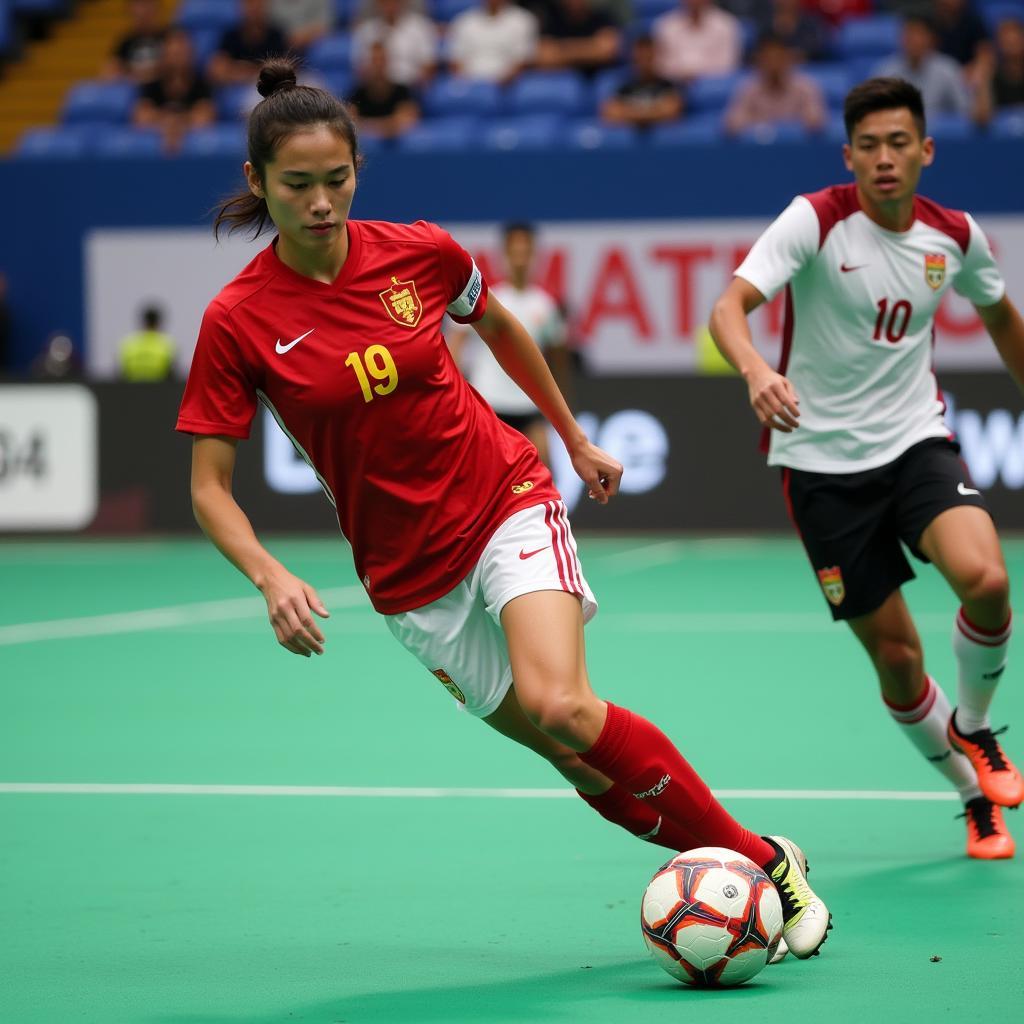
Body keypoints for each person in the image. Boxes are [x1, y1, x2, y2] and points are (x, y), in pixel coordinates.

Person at [176, 56, 831, 961]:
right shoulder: (237, 319)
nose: (321, 202)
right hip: (406, 577)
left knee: (561, 704)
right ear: (257, 183)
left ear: (357, 170)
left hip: (501, 497)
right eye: (297, 185)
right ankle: (751, 863)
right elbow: (210, 488)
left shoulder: (418, 250)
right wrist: (268, 573)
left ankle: (763, 868)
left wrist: (570, 435)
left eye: (337, 179)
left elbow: (499, 324)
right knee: (571, 757)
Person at [709, 77, 1024, 861]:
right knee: (897, 658)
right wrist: (754, 370)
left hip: (916, 439)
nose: (885, 159)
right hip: (819, 465)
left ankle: (976, 724)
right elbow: (727, 309)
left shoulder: (954, 236)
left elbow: (1002, 321)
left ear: (926, 150)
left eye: (899, 143)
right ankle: (969, 799)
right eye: (870, 146)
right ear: (849, 155)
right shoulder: (816, 219)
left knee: (985, 580)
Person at [447, 222, 569, 469]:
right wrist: (456, 395)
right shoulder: (489, 298)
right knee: (486, 475)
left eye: (526, 250)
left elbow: (558, 359)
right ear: (505, 253)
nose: (520, 258)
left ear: (534, 253)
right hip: (490, 403)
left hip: (530, 406)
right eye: (515, 250)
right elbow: (455, 345)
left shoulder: (545, 305)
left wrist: (562, 409)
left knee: (544, 474)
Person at [724, 34, 827, 136]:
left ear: (788, 59)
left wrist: (790, 130)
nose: (774, 63)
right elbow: (733, 124)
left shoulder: (805, 87)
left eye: (778, 57)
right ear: (759, 60)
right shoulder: (748, 88)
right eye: (768, 58)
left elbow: (817, 121)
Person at [133, 28, 216, 153]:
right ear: (164, 55)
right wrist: (174, 122)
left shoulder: (202, 84)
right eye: (173, 53)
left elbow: (204, 117)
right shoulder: (151, 85)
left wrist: (173, 122)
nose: (177, 58)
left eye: (181, 53)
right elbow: (142, 117)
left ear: (190, 54)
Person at [874, 16, 971, 118]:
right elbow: (874, 112)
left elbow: (965, 110)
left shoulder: (947, 69)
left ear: (931, 38)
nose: (914, 40)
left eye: (919, 34)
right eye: (909, 34)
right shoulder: (886, 71)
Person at [600, 33, 684, 129]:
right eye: (640, 56)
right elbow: (611, 113)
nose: (644, 60)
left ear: (655, 55)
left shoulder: (668, 85)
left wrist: (629, 114)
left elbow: (671, 112)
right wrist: (654, 113)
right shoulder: (624, 87)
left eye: (648, 55)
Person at [447, 0, 539, 84]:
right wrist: (469, 86)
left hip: (508, 86)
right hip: (470, 84)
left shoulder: (523, 20)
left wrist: (497, 86)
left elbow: (522, 60)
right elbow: (456, 61)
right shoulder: (463, 21)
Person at [350, 0, 438, 87]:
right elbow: (360, 68)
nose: (390, 5)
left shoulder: (421, 27)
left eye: (394, 1)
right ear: (378, 3)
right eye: (385, 1)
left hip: (410, 88)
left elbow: (429, 66)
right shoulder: (366, 30)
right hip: (376, 88)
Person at [652, 0, 742, 84]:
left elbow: (728, 64)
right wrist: (681, 74)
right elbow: (660, 63)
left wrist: (697, 75)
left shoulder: (726, 25)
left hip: (713, 84)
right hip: (673, 83)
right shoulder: (665, 25)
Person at [207, 0, 289, 88]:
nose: (254, 9)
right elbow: (216, 70)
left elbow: (284, 70)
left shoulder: (275, 36)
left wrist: (244, 70)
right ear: (241, 7)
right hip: (235, 88)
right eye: (250, 4)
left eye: (258, 5)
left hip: (268, 89)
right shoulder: (230, 36)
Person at [347, 40, 420, 138]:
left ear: (388, 62)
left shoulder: (402, 91)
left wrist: (366, 125)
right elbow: (350, 122)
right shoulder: (357, 93)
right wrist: (387, 126)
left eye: (382, 59)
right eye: (374, 60)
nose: (378, 64)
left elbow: (407, 120)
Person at [534, 0, 621, 77]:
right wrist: (592, 47)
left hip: (599, 77)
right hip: (564, 78)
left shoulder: (602, 17)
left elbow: (607, 51)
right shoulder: (552, 21)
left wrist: (560, 50)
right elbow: (544, 56)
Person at [973, 16, 1024, 127]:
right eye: (1005, 38)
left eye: (1015, 37)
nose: (1011, 42)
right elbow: (982, 117)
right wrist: (984, 72)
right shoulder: (993, 75)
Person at [104, 0, 166, 84]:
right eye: (139, 5)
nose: (143, 11)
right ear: (130, 10)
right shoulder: (125, 42)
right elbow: (109, 72)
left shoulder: (167, 38)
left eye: (148, 4)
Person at [118, 305, 177, 381]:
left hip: (132, 390)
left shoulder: (128, 344)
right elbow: (171, 374)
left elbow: (121, 374)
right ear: (158, 322)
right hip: (159, 390)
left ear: (143, 321)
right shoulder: (167, 344)